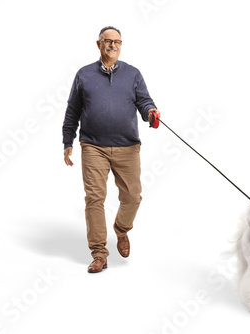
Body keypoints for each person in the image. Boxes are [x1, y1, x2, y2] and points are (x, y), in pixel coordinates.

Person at [62, 26, 159, 273]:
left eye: (117, 41)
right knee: (95, 198)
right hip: (93, 145)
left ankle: (122, 230)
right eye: (108, 41)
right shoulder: (84, 75)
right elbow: (73, 109)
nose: (112, 45)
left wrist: (151, 113)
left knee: (133, 196)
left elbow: (144, 100)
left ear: (121, 45)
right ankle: (99, 253)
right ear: (98, 44)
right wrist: (68, 141)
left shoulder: (133, 74)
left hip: (127, 146)